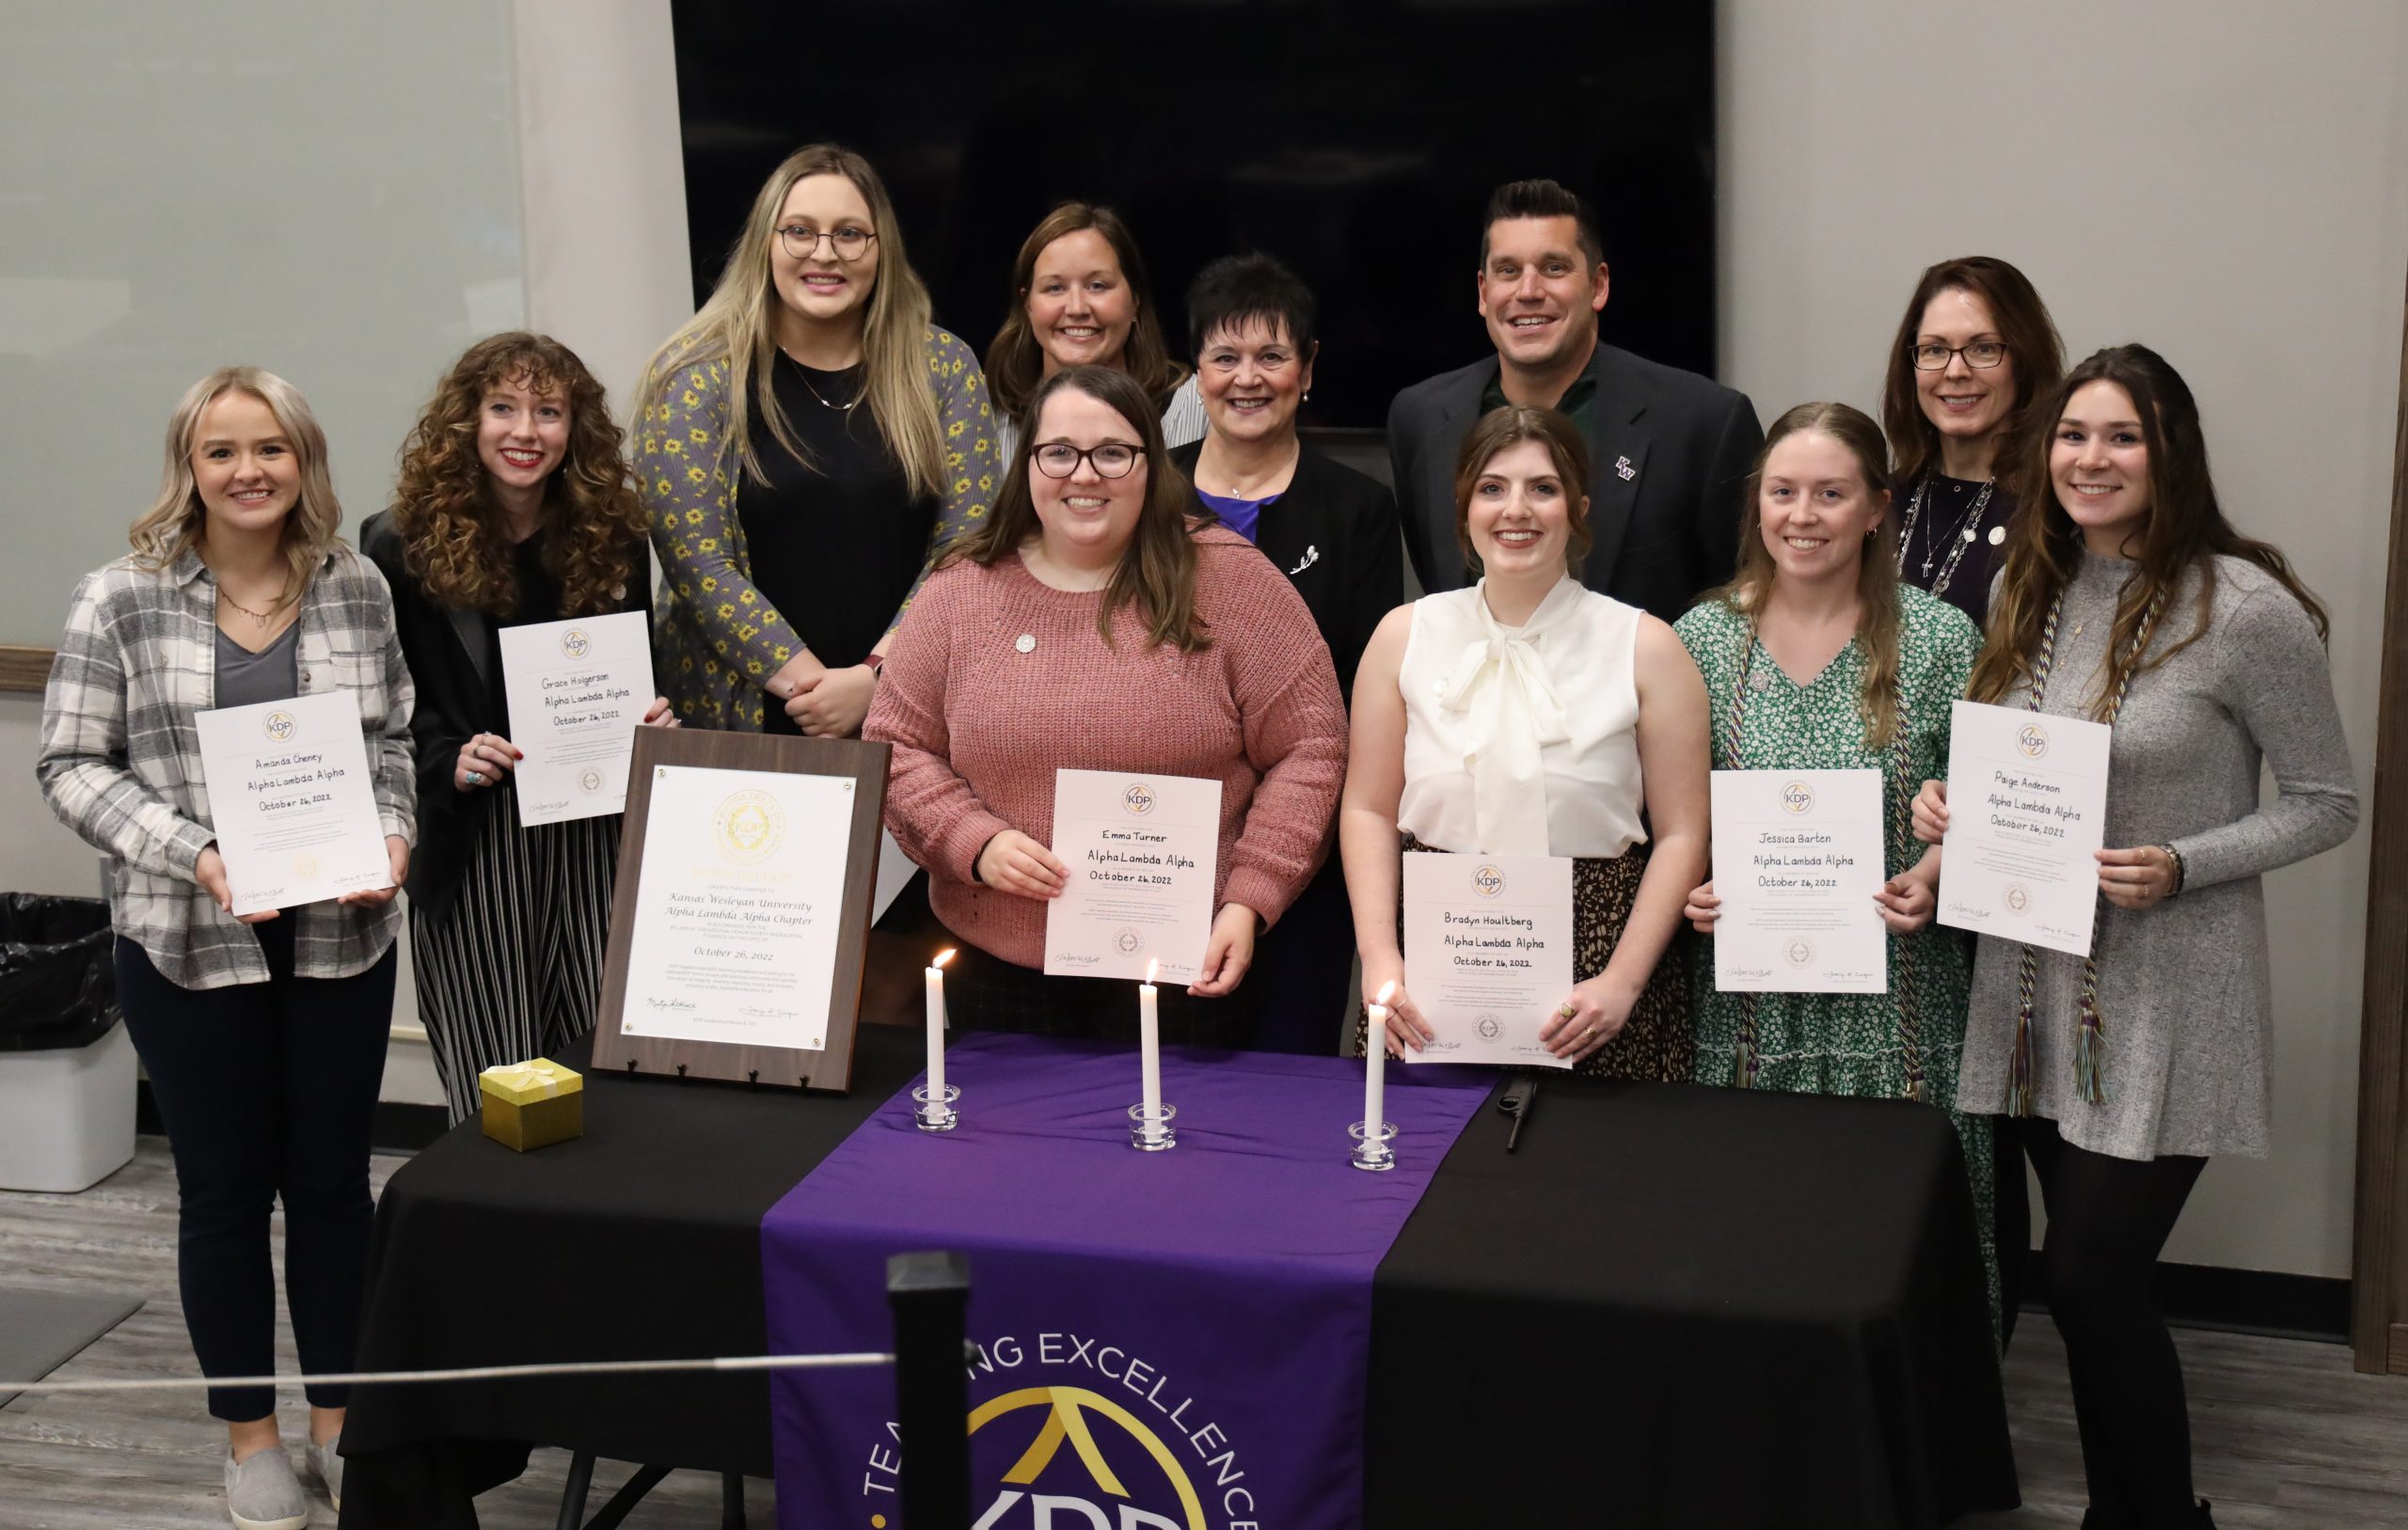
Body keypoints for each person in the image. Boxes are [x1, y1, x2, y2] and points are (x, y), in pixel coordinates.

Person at [1913, 346, 2357, 1530]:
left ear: (2171, 453)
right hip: (2032, 986)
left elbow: (2327, 801)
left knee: (2090, 1276)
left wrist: (2183, 861)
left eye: (2120, 437)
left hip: (2170, 989)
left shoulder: (2244, 607)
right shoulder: (2032, 588)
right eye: (2071, 435)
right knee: (2088, 1292)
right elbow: (2013, 765)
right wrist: (1943, 807)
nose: (2089, 459)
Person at [38, 368, 415, 1527]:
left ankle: (338, 1425)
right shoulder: (121, 598)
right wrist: (195, 848)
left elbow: (392, 734)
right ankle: (249, 1438)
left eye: (272, 448)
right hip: (190, 942)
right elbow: (68, 765)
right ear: (189, 468)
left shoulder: (354, 584)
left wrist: (395, 832)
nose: (249, 470)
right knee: (222, 1194)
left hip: (341, 936)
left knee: (336, 1191)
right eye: (222, 452)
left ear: (303, 460)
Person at [866, 365, 1346, 1045]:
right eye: (1059, 452)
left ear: (1152, 463)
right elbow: (895, 744)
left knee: (1176, 1150)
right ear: (1027, 462)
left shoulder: (1234, 582)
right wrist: (973, 843)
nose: (1083, 474)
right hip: (999, 968)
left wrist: (1249, 899)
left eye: (1113, 453)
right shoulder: (959, 590)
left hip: (1190, 964)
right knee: (1011, 1151)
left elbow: (1312, 748)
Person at [1673, 402, 1997, 1318]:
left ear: (1874, 509)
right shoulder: (1698, 640)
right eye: (1782, 492)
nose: (1802, 515)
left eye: (1829, 493)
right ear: (1756, 505)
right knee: (1751, 1243)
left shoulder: (1940, 641)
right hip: (1744, 1010)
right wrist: (1692, 887)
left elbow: (1982, 802)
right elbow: (1670, 812)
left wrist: (1934, 875)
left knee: (1890, 1252)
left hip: (1900, 1001)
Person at [1342, 405, 1708, 1080]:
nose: (1517, 509)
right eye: (1492, 487)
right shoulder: (1404, 635)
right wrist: (1381, 957)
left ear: (1578, 507)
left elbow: (1684, 832)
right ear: (1463, 507)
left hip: (1595, 979)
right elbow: (1366, 808)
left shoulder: (1647, 645)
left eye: (1543, 487)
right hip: (1431, 973)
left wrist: (1623, 981)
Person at [363, 333, 673, 1124]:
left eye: (548, 411)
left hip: (594, 835)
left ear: (578, 429)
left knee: (604, 1069)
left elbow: (630, 672)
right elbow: (385, 704)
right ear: (467, 420)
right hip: (477, 841)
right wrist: (447, 754)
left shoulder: (615, 536)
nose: (524, 431)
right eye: (502, 407)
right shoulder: (398, 544)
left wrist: (653, 718)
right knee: (497, 1083)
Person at [638, 142, 996, 734]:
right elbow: (698, 565)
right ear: (766, 243)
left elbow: (963, 548)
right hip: (736, 724)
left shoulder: (943, 366)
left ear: (881, 249)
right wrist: (812, 690)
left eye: (850, 234)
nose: (824, 254)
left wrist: (874, 681)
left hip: (909, 713)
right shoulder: (694, 373)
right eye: (800, 231)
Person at [1167, 252, 1402, 1052]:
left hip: (1309, 842)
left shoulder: (1359, 508)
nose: (1247, 378)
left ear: (1307, 370)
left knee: (1286, 1067)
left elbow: (1361, 683)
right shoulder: (1146, 495)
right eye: (1225, 357)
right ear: (1196, 373)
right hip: (1161, 837)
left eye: (1272, 356)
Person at [1386, 178, 1764, 621]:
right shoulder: (1421, 419)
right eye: (1508, 271)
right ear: (1484, 293)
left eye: (1553, 268)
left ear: (1598, 285)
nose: (1528, 291)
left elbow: (1745, 611)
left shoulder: (1705, 423)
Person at [1880, 256, 2066, 627]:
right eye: (1934, 349)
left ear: (2024, 361)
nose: (1955, 371)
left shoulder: (2056, 514)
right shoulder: (1877, 501)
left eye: (1983, 348)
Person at [984, 201, 1204, 460]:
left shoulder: (1198, 405)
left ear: (1135, 300)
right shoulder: (983, 415)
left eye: (1097, 286)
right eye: (1055, 288)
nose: (1077, 308)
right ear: (1027, 305)